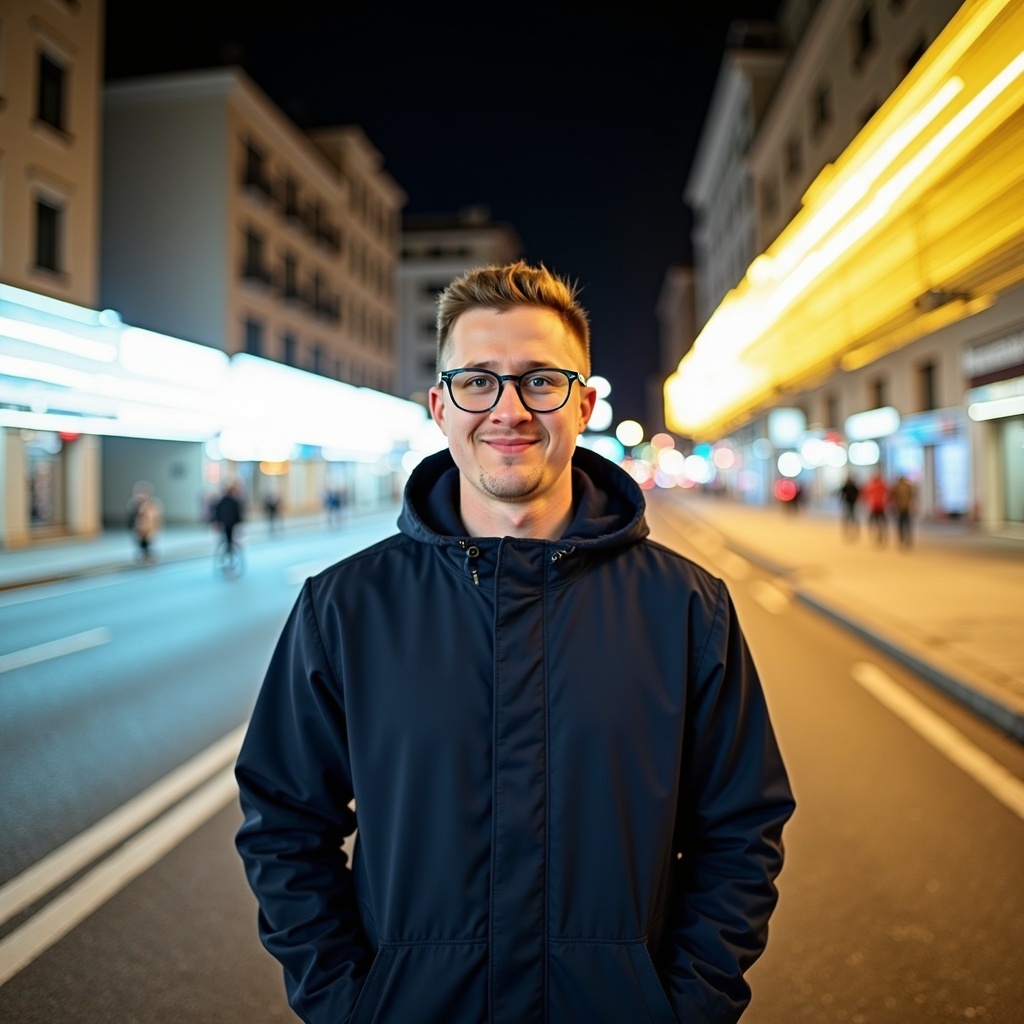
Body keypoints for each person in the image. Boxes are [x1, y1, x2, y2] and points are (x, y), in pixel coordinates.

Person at [235, 261, 795, 1024]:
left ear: (585, 402)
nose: (509, 409)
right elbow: (284, 824)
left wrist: (688, 1008)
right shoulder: (344, 608)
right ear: (440, 404)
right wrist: (347, 1007)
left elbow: (740, 829)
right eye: (478, 381)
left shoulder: (687, 608)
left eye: (541, 380)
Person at [127, 481, 162, 563]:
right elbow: (132, 517)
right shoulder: (134, 504)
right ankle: (144, 555)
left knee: (148, 543)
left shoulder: (152, 504)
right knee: (141, 543)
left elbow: (155, 517)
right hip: (139, 528)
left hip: (149, 528)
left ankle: (148, 556)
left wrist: (156, 528)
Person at [212, 481, 244, 555]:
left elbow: (217, 513)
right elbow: (238, 514)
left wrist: (217, 522)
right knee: (229, 536)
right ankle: (229, 548)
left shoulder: (221, 502)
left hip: (224, 523)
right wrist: (239, 523)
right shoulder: (234, 502)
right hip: (231, 523)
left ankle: (227, 548)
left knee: (226, 536)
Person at [862, 469, 889, 545]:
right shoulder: (882, 485)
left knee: (873, 522)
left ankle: (875, 533)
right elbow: (887, 495)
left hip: (875, 507)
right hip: (879, 506)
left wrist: (866, 503)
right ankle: (880, 534)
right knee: (881, 522)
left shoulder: (872, 485)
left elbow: (866, 495)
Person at [890, 474, 915, 548]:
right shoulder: (908, 487)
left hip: (901, 508)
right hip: (904, 508)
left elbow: (893, 497)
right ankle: (906, 539)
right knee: (906, 524)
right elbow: (912, 497)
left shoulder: (896, 487)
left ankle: (902, 538)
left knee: (901, 524)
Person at [838, 472, 861, 540]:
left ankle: (851, 528)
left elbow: (842, 493)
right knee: (850, 516)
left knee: (850, 516)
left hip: (850, 503)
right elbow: (842, 493)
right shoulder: (850, 486)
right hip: (850, 503)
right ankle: (849, 529)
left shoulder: (849, 486)